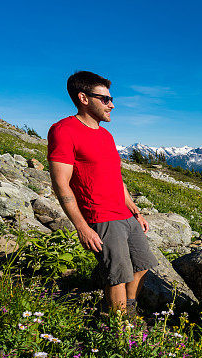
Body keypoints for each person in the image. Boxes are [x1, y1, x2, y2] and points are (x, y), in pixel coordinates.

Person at [47, 71, 158, 314]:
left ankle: (126, 310)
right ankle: (118, 329)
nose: (112, 104)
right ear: (83, 98)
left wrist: (135, 212)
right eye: (105, 99)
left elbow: (116, 178)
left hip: (124, 214)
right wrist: (82, 227)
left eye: (110, 98)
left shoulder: (106, 135)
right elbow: (61, 184)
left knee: (142, 265)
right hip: (101, 216)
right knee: (116, 274)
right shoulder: (64, 130)